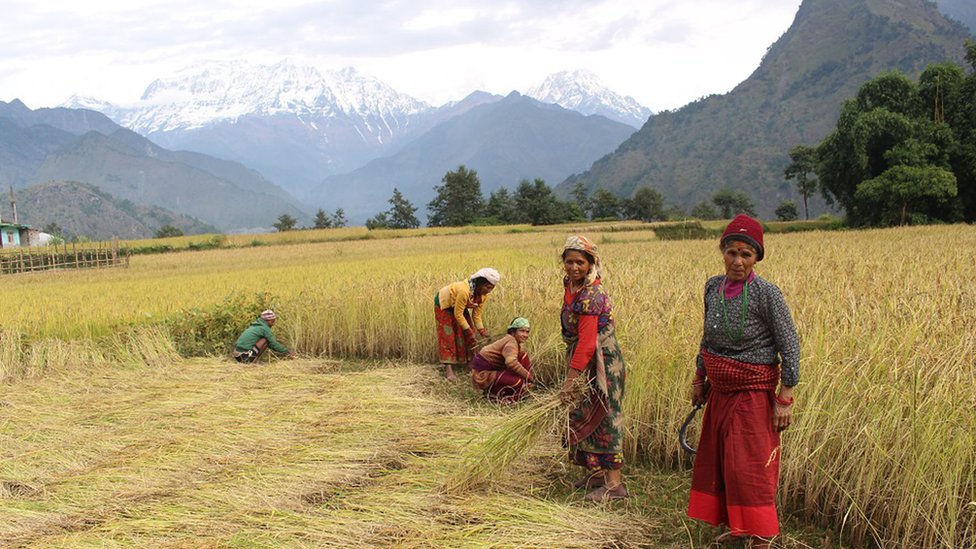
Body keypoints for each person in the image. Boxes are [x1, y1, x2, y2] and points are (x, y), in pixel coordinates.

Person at [687, 214, 800, 548]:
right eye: (731, 252)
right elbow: (707, 338)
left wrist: (784, 399)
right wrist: (699, 377)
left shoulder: (767, 294)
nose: (737, 261)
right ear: (722, 252)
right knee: (722, 461)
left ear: (756, 258)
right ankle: (737, 527)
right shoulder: (712, 287)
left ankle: (760, 537)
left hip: (752, 394)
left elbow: (790, 346)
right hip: (720, 392)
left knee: (748, 467)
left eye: (746, 254)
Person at [557, 235, 627, 502]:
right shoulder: (571, 285)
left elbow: (587, 342)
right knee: (585, 411)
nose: (574, 267)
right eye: (569, 261)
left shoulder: (592, 294)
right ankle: (596, 473)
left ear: (591, 263)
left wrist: (570, 379)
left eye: (580, 262)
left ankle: (614, 485)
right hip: (583, 360)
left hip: (602, 364)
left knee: (606, 416)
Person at [434, 268, 500, 382]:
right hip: (444, 304)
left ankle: (470, 364)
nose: (489, 291)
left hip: (458, 305)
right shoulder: (464, 291)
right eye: (488, 287)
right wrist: (469, 331)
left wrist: (482, 331)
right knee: (448, 335)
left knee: (467, 334)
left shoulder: (482, 295)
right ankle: (449, 370)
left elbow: (476, 315)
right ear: (479, 284)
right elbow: (458, 314)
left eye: (492, 288)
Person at [470, 316, 534, 402]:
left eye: (527, 332)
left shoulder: (511, 340)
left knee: (523, 356)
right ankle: (495, 396)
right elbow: (511, 363)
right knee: (519, 382)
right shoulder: (511, 343)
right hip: (482, 375)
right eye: (522, 331)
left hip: (489, 370)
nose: (525, 335)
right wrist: (528, 377)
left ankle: (523, 388)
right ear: (513, 331)